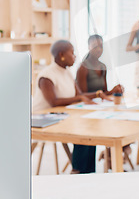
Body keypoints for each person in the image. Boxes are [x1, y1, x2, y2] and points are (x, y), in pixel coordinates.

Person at [32, 40, 112, 174]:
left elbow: (79, 95)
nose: (75, 56)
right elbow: (54, 102)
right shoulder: (46, 76)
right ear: (62, 55)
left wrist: (99, 94)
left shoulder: (67, 72)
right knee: (82, 129)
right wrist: (80, 98)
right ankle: (77, 170)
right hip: (42, 119)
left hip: (61, 116)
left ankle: (88, 172)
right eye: (72, 53)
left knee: (90, 128)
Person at [74, 34, 125, 174]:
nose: (99, 49)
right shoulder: (83, 68)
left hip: (99, 108)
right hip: (85, 109)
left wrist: (114, 90)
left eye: (101, 46)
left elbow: (103, 92)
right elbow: (81, 95)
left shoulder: (103, 66)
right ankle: (80, 169)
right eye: (95, 46)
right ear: (89, 47)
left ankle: (111, 161)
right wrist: (98, 94)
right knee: (87, 137)